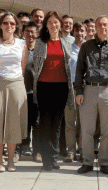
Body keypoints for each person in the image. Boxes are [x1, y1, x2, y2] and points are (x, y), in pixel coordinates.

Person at [75, 16, 108, 175]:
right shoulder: (86, 46)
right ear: (95, 28)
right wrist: (78, 91)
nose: (103, 27)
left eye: (105, 25)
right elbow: (79, 70)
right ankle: (88, 162)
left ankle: (104, 162)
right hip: (89, 90)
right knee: (87, 129)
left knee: (107, 129)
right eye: (99, 25)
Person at [0, 12, 28, 172]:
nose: (9, 26)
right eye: (6, 23)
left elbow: (22, 68)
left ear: (16, 26)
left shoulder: (22, 44)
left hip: (16, 86)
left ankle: (11, 161)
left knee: (13, 124)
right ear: (0, 25)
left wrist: (12, 81)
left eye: (12, 23)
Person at [32, 11, 74, 171]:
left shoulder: (66, 43)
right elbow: (36, 66)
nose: (53, 25)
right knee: (45, 123)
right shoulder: (40, 43)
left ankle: (54, 157)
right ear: (46, 25)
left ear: (60, 24)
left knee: (57, 124)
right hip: (44, 86)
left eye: (56, 22)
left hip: (61, 87)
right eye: (50, 22)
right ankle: (46, 158)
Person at [18, 21, 41, 162]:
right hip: (21, 92)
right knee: (22, 123)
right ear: (22, 33)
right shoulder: (19, 49)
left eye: (33, 32)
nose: (30, 34)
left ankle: (37, 152)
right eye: (27, 31)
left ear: (37, 34)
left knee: (37, 124)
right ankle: (19, 150)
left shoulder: (40, 50)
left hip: (37, 93)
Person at [64, 22, 87, 163]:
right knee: (70, 122)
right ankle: (71, 151)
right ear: (73, 33)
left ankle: (83, 151)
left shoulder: (90, 48)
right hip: (70, 88)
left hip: (85, 88)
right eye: (77, 30)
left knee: (84, 123)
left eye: (82, 31)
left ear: (86, 33)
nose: (79, 33)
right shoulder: (67, 48)